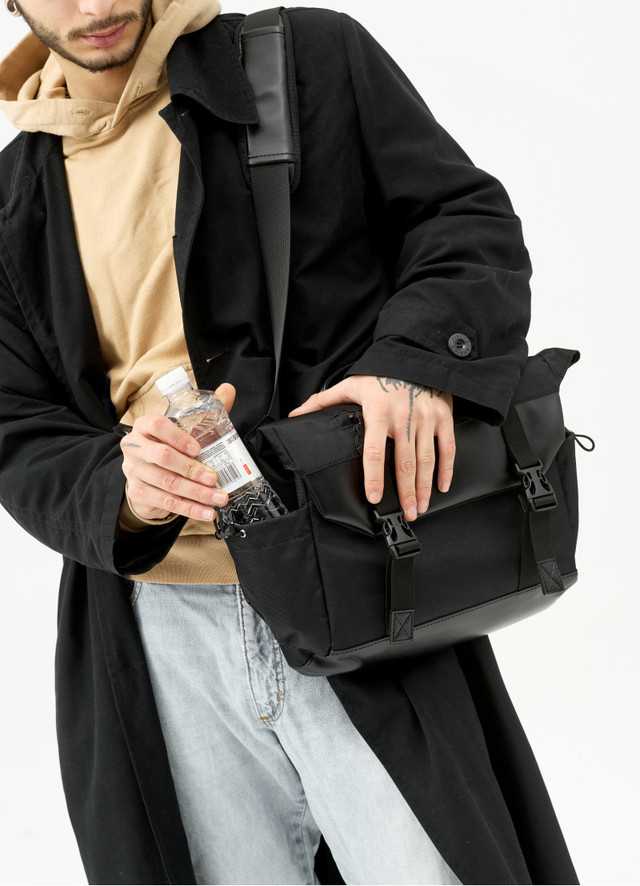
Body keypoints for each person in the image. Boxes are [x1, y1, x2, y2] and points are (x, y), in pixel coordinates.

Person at [0, 0, 579, 882]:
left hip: (358, 579)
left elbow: (464, 223)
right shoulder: (14, 198)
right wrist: (122, 487)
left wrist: (413, 363)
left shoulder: (298, 59)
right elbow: (17, 426)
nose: (96, 6)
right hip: (159, 632)